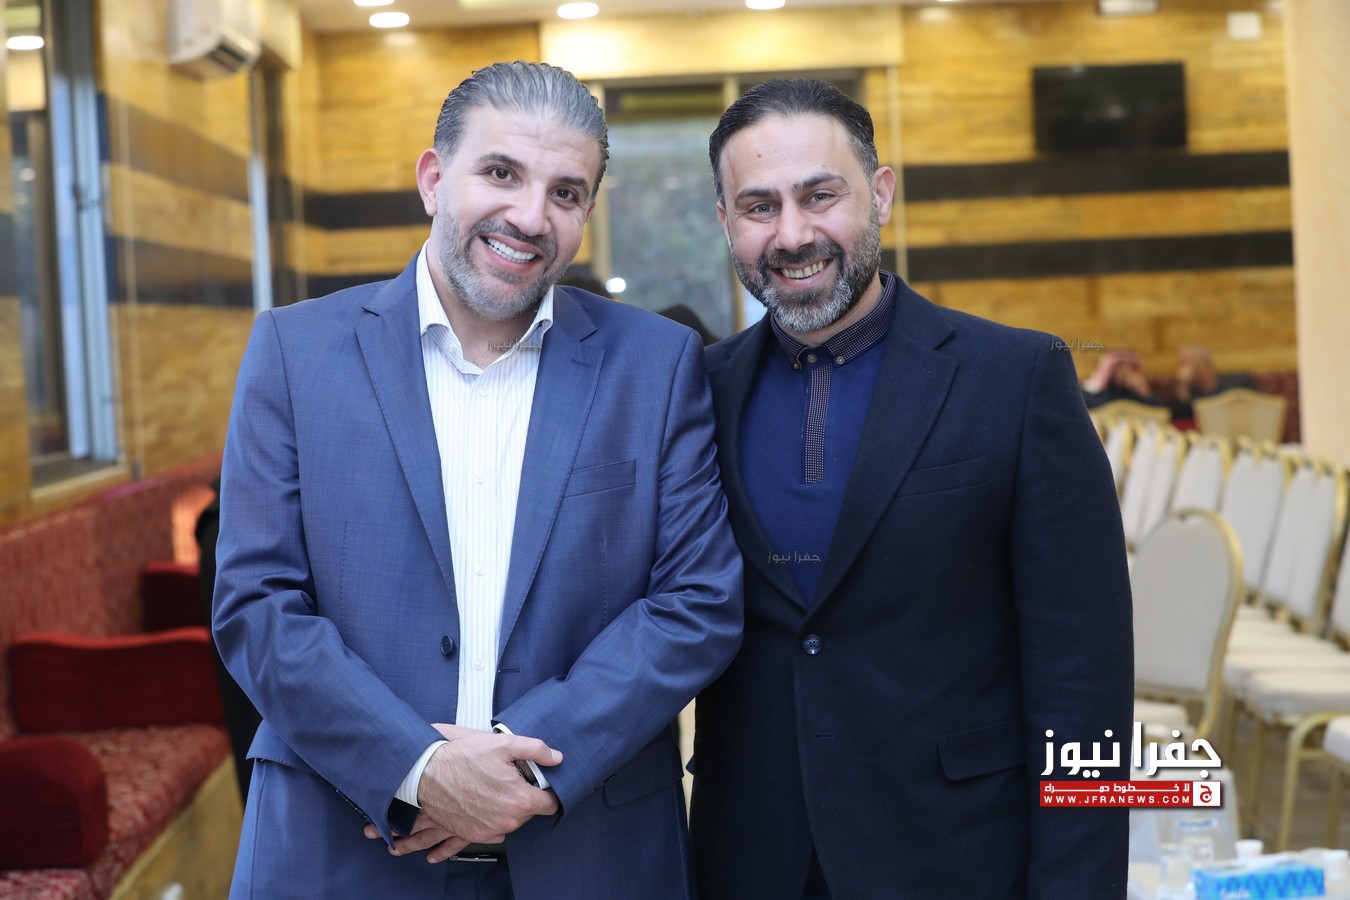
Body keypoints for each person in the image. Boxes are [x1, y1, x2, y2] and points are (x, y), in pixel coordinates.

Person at [213, 61, 742, 900]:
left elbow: (697, 602)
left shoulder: (657, 363)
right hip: (341, 849)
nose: (529, 216)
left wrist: (518, 770)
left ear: (587, 213)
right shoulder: (293, 351)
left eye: (565, 193)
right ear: (433, 178)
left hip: (590, 852)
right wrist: (419, 767)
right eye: (500, 172)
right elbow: (257, 604)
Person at [690, 79, 1133, 898]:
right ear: (726, 222)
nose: (793, 234)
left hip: (958, 855)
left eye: (820, 196)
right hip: (750, 855)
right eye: (759, 207)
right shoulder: (694, 392)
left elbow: (1085, 679)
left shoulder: (1016, 378)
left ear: (882, 195)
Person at [1170, 344, 1255, 422]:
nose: (1181, 369)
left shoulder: (1238, 382)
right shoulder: (1188, 392)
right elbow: (1182, 421)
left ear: (1204, 362)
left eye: (1186, 362)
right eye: (1180, 364)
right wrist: (1183, 387)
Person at [1081, 348, 1167, 410]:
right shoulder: (1096, 394)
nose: (1125, 371)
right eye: (1121, 366)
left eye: (1129, 366)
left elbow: (1161, 411)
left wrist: (1145, 392)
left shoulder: (1135, 396)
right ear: (1111, 369)